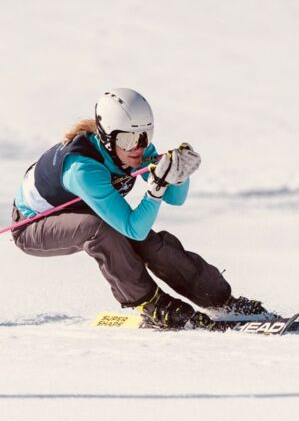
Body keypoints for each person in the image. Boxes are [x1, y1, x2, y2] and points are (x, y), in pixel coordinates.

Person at [11, 88, 269, 329]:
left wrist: (178, 175)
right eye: (128, 139)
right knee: (100, 231)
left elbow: (175, 200)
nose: (138, 147)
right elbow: (132, 228)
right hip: (32, 226)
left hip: (82, 211)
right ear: (107, 138)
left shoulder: (136, 148)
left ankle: (219, 298)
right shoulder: (82, 170)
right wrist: (155, 190)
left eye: (146, 136)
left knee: (148, 241)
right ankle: (149, 303)